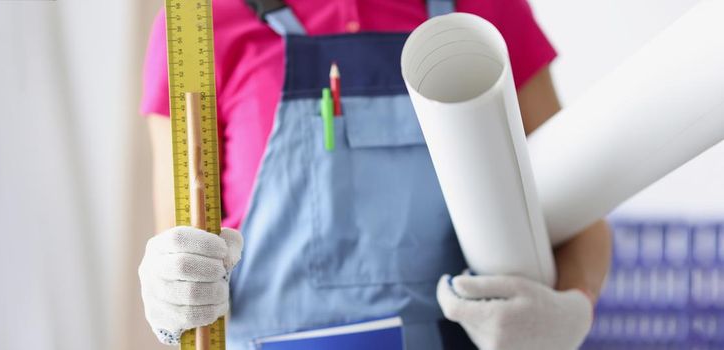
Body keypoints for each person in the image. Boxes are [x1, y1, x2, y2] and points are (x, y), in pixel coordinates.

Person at [137, 0, 612, 349]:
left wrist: (573, 305)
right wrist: (172, 293)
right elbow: (182, 244)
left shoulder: (485, 13)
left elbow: (583, 221)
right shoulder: (200, 24)